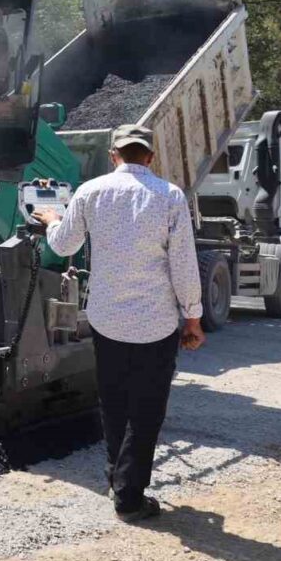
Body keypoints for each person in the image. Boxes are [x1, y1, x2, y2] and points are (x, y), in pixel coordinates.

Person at [33, 124, 206, 522]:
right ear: (150, 156)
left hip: (107, 320)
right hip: (155, 323)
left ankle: (117, 478)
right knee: (146, 410)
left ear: (113, 155)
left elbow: (63, 245)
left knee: (113, 403)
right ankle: (129, 497)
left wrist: (52, 220)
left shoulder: (90, 192)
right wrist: (193, 317)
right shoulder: (170, 196)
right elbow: (183, 264)